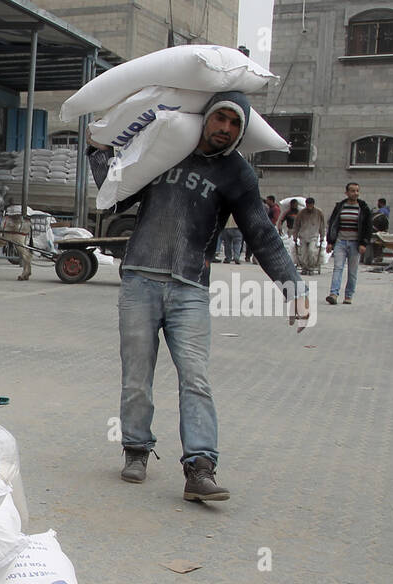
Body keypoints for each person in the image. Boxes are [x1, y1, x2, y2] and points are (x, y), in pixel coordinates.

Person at [88, 91, 309, 502]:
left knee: (196, 379)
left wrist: (293, 287)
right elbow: (115, 191)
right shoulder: (165, 149)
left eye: (234, 124)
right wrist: (96, 150)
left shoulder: (237, 175)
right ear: (206, 117)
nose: (225, 129)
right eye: (220, 118)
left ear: (241, 132)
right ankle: (136, 449)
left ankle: (200, 468)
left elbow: (261, 233)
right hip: (139, 280)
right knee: (137, 376)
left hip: (190, 288)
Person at [325, 182, 373, 305]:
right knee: (338, 268)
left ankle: (348, 296)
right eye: (352, 191)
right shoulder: (340, 207)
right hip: (340, 242)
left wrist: (364, 243)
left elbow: (368, 227)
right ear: (346, 193)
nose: (355, 193)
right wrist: (330, 242)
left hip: (355, 244)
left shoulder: (363, 208)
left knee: (352, 271)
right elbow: (333, 225)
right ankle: (333, 294)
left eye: (357, 191)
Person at [292, 197, 326, 275]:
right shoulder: (301, 213)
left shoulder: (319, 212)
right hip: (303, 235)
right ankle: (305, 268)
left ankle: (311, 267)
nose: (309, 206)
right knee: (303, 253)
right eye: (307, 205)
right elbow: (296, 225)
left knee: (311, 251)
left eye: (310, 205)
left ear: (313, 204)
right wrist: (295, 235)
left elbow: (322, 225)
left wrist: (322, 236)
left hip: (313, 235)